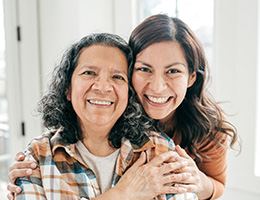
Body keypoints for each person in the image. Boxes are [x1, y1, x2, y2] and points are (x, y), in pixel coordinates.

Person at [8, 14, 239, 199]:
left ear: (191, 78)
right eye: (144, 69)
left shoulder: (167, 149)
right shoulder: (39, 156)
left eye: (173, 71)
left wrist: (198, 181)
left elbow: (217, 186)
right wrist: (124, 194)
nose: (157, 87)